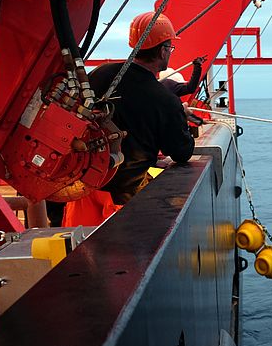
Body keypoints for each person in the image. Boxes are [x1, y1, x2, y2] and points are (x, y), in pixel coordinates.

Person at [63, 12, 195, 227]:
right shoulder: (164, 99)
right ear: (162, 50)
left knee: (78, 254)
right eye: (170, 48)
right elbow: (182, 151)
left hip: (83, 192)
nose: (170, 53)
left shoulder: (100, 74)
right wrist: (180, 115)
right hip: (123, 202)